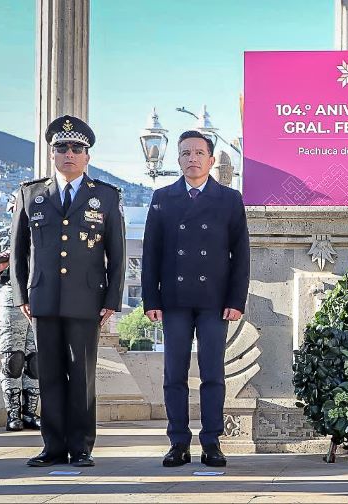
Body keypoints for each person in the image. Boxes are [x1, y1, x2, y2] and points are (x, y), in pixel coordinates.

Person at [11, 115, 126, 467]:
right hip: (44, 299)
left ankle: (81, 447)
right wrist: (22, 296)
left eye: (77, 148)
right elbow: (18, 251)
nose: (69, 154)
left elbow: (116, 253)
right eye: (62, 147)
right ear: (52, 154)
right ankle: (53, 446)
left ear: (87, 156)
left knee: (81, 377)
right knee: (48, 375)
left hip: (86, 299)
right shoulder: (31, 194)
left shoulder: (105, 196)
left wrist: (111, 300)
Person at [142, 130, 250, 468]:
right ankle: (178, 442)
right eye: (186, 153)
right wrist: (150, 300)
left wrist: (236, 299)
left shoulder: (229, 199)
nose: (193, 158)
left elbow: (241, 255)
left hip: (214, 300)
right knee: (174, 373)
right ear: (178, 159)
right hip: (173, 299)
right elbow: (151, 254)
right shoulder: (162, 197)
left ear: (211, 159)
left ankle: (212, 442)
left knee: (212, 373)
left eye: (199, 153)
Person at [0, 192, 40, 432]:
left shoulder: (43, 236)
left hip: (38, 304)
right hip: (9, 303)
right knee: (13, 360)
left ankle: (31, 413)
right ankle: (13, 414)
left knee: (36, 362)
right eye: (16, 208)